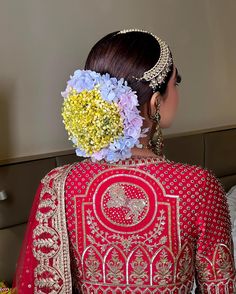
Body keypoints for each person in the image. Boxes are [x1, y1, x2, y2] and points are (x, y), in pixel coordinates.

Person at [12, 29, 235, 293]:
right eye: (176, 83)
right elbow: (220, 287)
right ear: (155, 103)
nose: (177, 93)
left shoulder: (58, 184)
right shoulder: (199, 186)